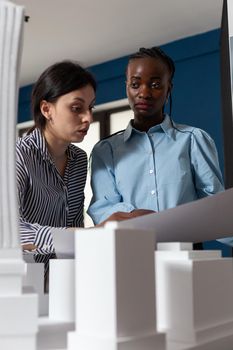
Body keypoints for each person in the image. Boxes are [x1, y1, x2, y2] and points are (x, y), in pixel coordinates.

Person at [88, 47, 224, 225]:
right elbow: (102, 209)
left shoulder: (193, 140)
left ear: (169, 89)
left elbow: (215, 207)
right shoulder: (105, 150)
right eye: (135, 84)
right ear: (127, 88)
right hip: (130, 247)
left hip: (186, 248)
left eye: (155, 85)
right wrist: (142, 218)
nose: (144, 93)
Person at [16, 60, 96, 284]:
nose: (88, 117)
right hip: (19, 287)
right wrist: (70, 238)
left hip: (62, 286)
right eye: (76, 108)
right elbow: (9, 230)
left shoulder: (79, 160)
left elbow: (74, 222)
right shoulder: (17, 156)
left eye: (91, 107)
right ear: (46, 109)